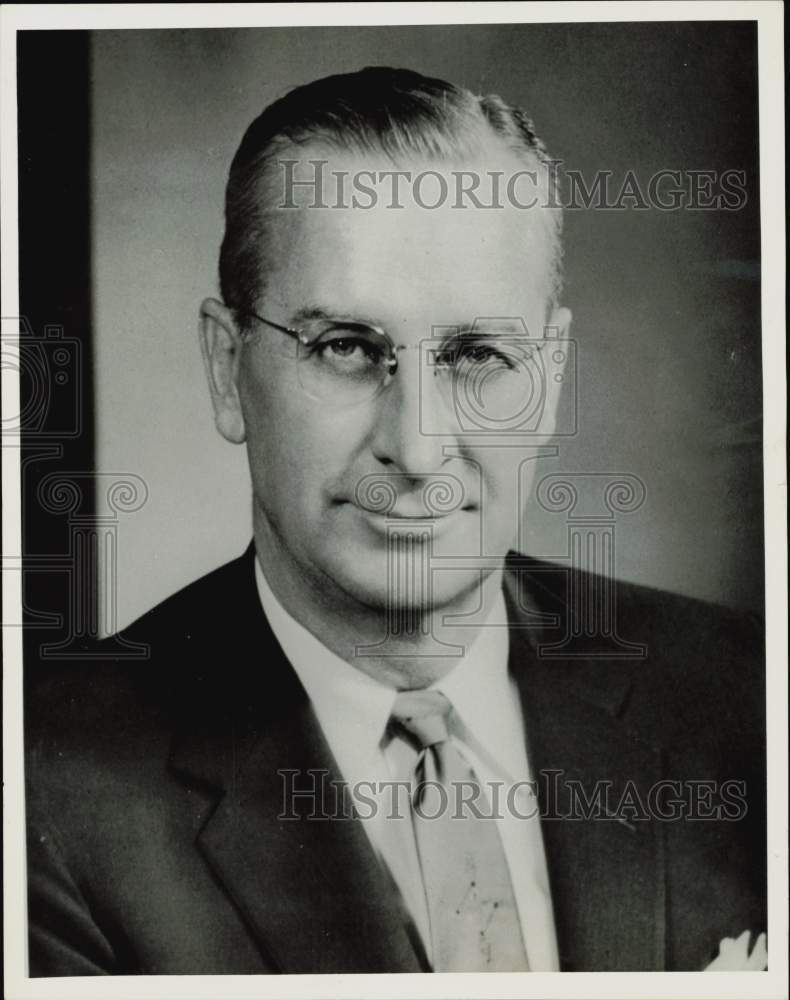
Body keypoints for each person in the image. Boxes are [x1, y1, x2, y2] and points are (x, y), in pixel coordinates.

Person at [25, 66, 766, 975]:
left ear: (550, 378)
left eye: (477, 354)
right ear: (227, 370)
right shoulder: (48, 805)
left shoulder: (748, 703)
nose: (418, 449)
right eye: (345, 347)